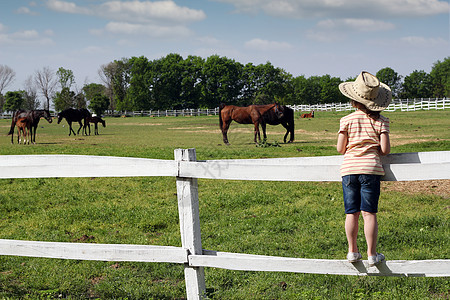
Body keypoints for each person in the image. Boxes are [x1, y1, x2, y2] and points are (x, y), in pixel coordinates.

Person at [336, 71, 392, 266]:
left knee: (351, 213)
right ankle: (372, 254)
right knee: (369, 214)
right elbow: (385, 150)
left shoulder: (346, 120)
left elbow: (340, 148)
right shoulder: (381, 121)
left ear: (353, 100)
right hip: (371, 170)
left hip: (349, 170)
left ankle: (352, 251)